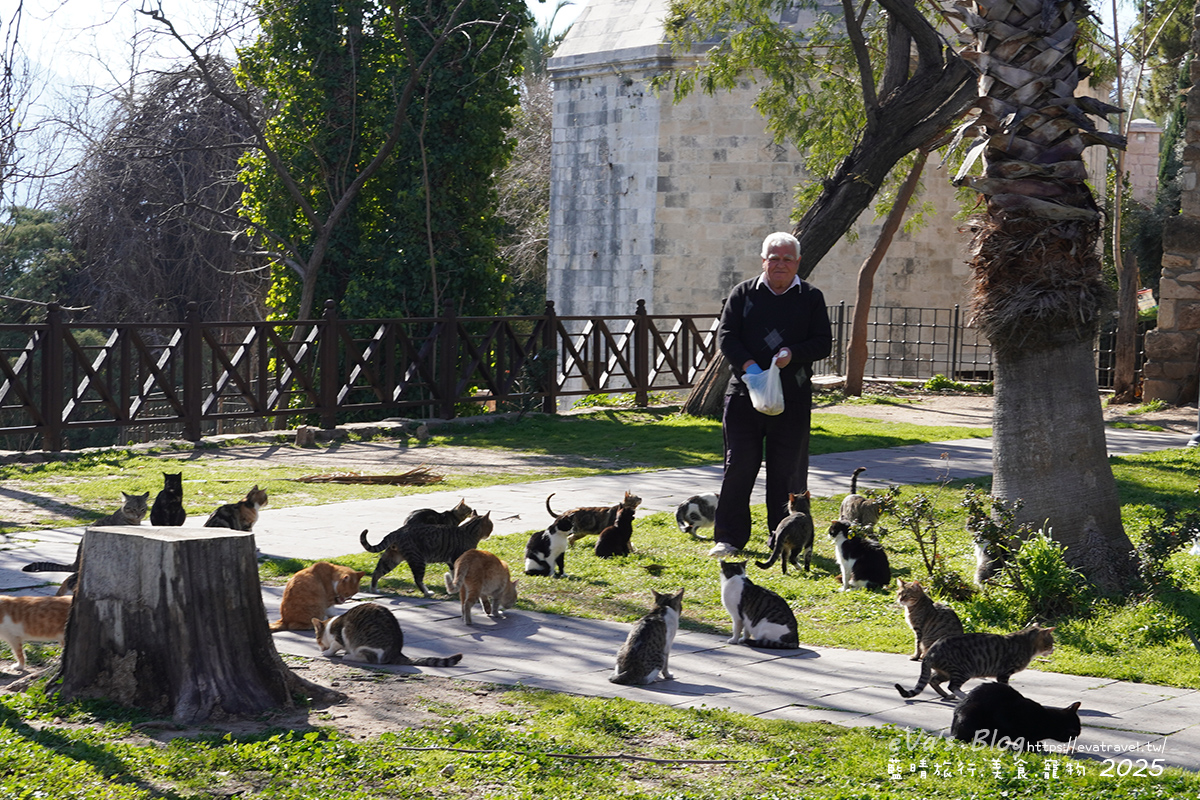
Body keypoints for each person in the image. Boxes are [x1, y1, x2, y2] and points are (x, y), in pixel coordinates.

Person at [708, 231, 833, 558]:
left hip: (792, 397)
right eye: (773, 258)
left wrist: (793, 353)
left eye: (787, 259)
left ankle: (786, 540)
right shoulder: (744, 293)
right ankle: (729, 539)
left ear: (797, 262)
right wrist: (749, 365)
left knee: (787, 471)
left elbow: (823, 342)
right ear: (763, 260)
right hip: (744, 394)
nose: (780, 264)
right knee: (739, 465)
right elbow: (726, 335)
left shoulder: (810, 297)